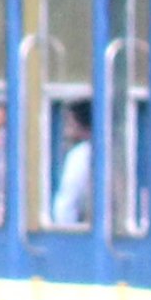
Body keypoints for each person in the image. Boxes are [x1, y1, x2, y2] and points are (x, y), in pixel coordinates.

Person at [46, 96, 96, 227]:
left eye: (69, 123)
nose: (66, 131)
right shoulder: (111, 152)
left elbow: (66, 205)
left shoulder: (81, 155)